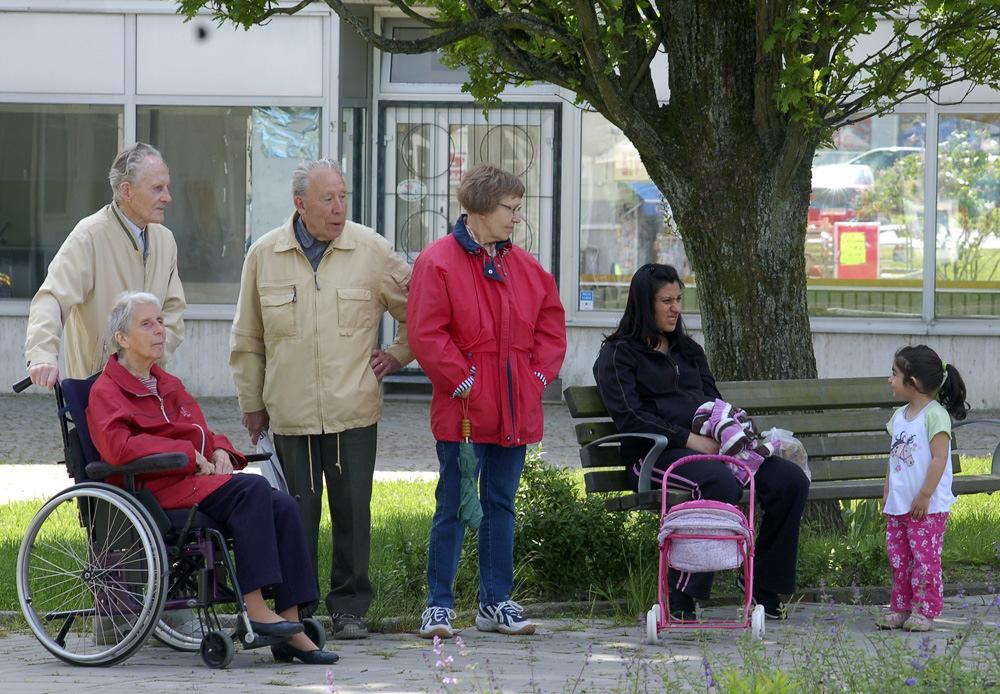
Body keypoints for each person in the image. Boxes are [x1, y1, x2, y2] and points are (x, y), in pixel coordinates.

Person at [87, 292, 337, 665]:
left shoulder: (166, 383)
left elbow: (201, 429)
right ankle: (254, 608)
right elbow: (119, 449)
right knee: (252, 488)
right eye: (147, 324)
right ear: (121, 338)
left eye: (160, 321)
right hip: (156, 492)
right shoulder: (107, 391)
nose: (159, 329)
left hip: (195, 482)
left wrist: (220, 450)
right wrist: (189, 456)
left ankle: (290, 621)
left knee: (282, 503)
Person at [230, 159, 412, 640]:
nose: (339, 208)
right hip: (289, 413)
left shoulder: (372, 250)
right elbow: (248, 337)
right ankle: (299, 609)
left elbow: (423, 310)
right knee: (295, 516)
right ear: (300, 205)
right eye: (328, 199)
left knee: (353, 512)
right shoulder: (264, 254)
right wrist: (252, 402)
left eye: (343, 196)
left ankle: (350, 607)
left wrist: (397, 355)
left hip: (353, 409)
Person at [592, 263, 809, 620]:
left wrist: (733, 438)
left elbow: (714, 404)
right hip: (651, 456)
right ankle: (681, 595)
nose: (676, 308)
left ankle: (764, 585)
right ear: (644, 304)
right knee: (717, 483)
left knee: (789, 481)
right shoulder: (618, 355)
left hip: (709, 453)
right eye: (667, 300)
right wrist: (688, 439)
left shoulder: (689, 351)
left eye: (679, 299)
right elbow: (629, 415)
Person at [408, 164, 566, 639]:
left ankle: (495, 602)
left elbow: (551, 326)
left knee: (501, 504)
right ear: (478, 208)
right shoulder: (437, 262)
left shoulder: (527, 268)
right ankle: (438, 605)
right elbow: (425, 333)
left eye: (518, 208)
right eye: (509, 208)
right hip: (464, 415)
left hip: (515, 409)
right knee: (455, 504)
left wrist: (536, 376)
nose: (516, 217)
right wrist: (464, 381)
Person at [24, 142, 186, 389]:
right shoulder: (89, 235)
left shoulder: (165, 240)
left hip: (149, 388)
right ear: (126, 190)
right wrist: (42, 354)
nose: (167, 197)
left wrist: (156, 354)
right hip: (99, 391)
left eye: (167, 187)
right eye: (157, 189)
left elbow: (173, 309)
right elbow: (52, 297)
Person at [876, 345, 968, 632]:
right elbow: (893, 458)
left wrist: (926, 494)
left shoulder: (935, 415)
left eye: (894, 374)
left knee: (924, 560)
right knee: (899, 559)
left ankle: (924, 610)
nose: (889, 379)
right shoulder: (899, 417)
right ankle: (901, 608)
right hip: (899, 504)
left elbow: (939, 458)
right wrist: (887, 490)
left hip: (927, 507)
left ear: (912, 382)